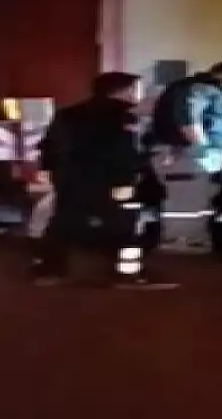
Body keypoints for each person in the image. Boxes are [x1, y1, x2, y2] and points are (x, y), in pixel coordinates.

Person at [29, 71, 175, 289]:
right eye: (137, 89)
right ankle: (128, 274)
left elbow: (49, 147)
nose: (140, 94)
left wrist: (52, 173)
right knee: (126, 226)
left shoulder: (68, 114)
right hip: (114, 181)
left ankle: (50, 270)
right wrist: (140, 171)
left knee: (64, 223)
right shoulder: (128, 116)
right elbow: (125, 152)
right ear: (125, 91)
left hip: (70, 179)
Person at [146, 60, 222, 252]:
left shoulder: (212, 90)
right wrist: (201, 149)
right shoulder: (200, 89)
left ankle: (192, 238)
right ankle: (182, 241)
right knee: (188, 201)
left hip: (194, 150)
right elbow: (188, 120)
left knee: (197, 198)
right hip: (187, 151)